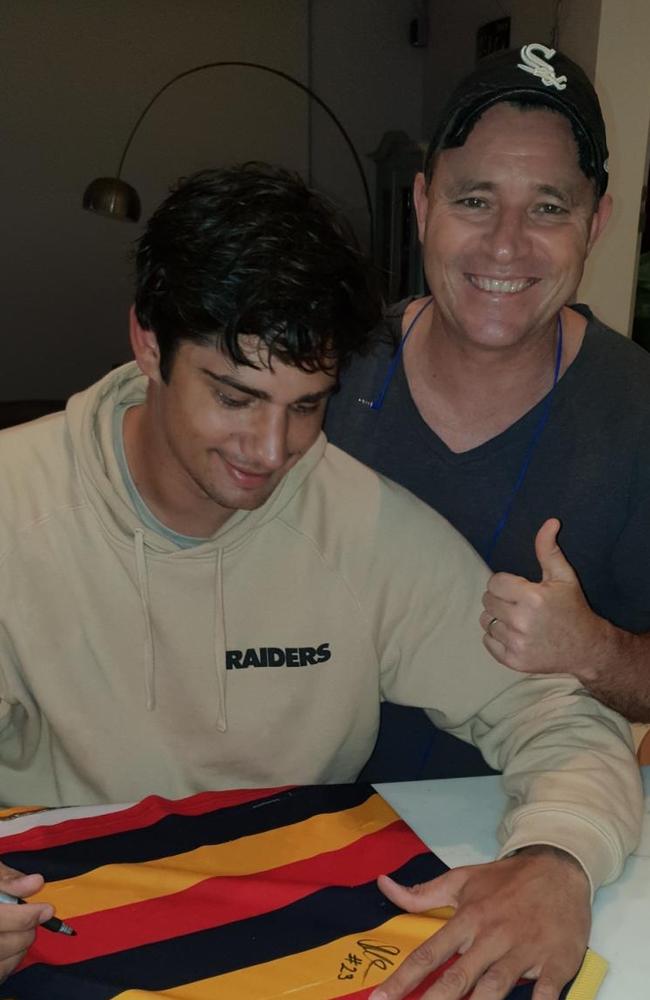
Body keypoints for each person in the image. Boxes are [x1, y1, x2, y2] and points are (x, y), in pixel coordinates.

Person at [0, 164, 641, 998]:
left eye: (306, 406)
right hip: (60, 932)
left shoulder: (364, 527)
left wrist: (557, 859)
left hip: (290, 946)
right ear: (148, 343)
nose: (270, 452)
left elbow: (555, 714)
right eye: (235, 396)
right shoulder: (17, 508)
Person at [326, 42, 650, 788]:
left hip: (533, 825)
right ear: (421, 204)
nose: (506, 243)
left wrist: (593, 648)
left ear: (595, 224)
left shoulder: (637, 413)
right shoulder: (329, 377)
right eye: (474, 200)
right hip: (308, 821)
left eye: (548, 206)